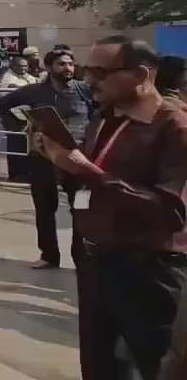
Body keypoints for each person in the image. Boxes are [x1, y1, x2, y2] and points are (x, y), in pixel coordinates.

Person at [35, 36, 187, 380]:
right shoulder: (103, 117)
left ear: (142, 75)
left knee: (155, 362)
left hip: (149, 268)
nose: (89, 79)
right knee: (100, 364)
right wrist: (58, 158)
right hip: (96, 261)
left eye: (101, 72)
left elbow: (169, 212)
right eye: (88, 70)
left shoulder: (174, 127)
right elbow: (86, 182)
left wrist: (87, 170)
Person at [0, 47, 92, 269]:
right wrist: (20, 126)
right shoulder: (33, 91)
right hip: (43, 157)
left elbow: (101, 115)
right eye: (61, 64)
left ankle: (81, 257)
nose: (68, 68)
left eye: (70, 64)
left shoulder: (85, 90)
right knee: (44, 209)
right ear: (48, 67)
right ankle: (48, 255)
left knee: (82, 210)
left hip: (78, 161)